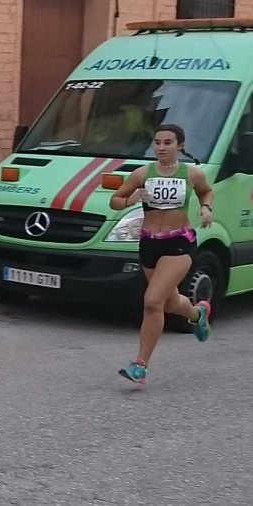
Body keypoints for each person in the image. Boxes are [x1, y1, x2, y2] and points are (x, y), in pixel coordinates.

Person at [109, 123, 214, 384]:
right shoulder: (141, 174)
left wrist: (206, 208)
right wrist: (130, 200)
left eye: (167, 143)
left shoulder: (192, 174)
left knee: (153, 300)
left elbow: (206, 192)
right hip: (149, 243)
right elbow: (115, 200)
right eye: (157, 142)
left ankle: (140, 366)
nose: (161, 148)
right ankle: (197, 314)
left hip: (179, 243)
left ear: (179, 146)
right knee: (168, 302)